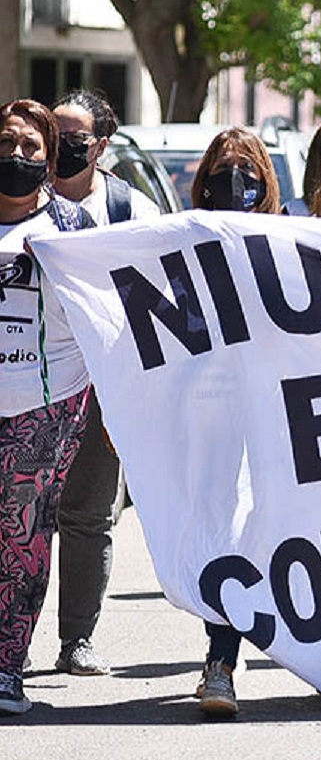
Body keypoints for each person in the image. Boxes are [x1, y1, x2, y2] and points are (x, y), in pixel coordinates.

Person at [47, 90, 160, 678]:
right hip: (30, 387)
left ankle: (77, 641)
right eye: (53, 134)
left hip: (102, 390)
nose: (60, 149)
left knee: (89, 515)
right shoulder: (19, 203)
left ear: (101, 146)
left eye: (74, 140)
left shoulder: (130, 212)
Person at [0, 99, 94, 714]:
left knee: (22, 535)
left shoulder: (74, 228)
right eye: (7, 142)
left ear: (50, 157)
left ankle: (7, 663)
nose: (17, 155)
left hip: (47, 403)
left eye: (32, 147)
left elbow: (110, 316)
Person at [189, 126, 281, 716]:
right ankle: (221, 661)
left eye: (247, 168)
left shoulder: (291, 235)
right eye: (224, 168)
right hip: (216, 414)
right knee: (226, 534)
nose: (236, 179)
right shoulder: (182, 241)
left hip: (282, 415)